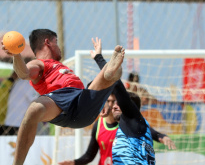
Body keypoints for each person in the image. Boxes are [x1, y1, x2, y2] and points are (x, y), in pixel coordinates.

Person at [1, 29, 124, 165]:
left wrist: (104, 103)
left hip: (83, 106)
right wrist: (16, 55)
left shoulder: (62, 67)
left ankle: (112, 72)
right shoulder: (40, 63)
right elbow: (23, 73)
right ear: (48, 42)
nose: (59, 47)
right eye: (56, 42)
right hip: (60, 103)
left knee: (103, 78)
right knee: (34, 108)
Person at [58, 94, 176, 165]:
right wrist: (74, 162)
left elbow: (149, 131)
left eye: (114, 102)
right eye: (108, 101)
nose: (111, 105)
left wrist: (162, 137)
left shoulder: (127, 123)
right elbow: (90, 155)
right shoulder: (98, 125)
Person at [0, 71, 38, 135]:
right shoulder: (27, 83)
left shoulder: (20, 82)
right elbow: (37, 102)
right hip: (18, 123)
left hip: (10, 122)